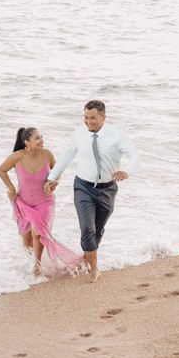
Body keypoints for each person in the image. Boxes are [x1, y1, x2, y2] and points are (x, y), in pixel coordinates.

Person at [43, 100, 139, 283]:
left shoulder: (116, 135)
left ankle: (87, 257)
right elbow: (67, 155)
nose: (89, 122)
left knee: (97, 230)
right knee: (87, 228)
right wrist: (52, 177)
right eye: (86, 118)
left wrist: (126, 171)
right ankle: (94, 269)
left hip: (107, 189)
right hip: (83, 187)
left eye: (93, 118)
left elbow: (134, 154)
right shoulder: (79, 133)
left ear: (103, 117)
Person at [0, 127, 84, 277]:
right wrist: (11, 188)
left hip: (45, 202)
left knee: (38, 233)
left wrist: (54, 183)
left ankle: (37, 267)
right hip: (23, 203)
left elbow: (57, 172)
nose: (42, 140)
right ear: (27, 142)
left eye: (41, 137)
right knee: (27, 240)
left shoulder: (47, 154)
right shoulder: (17, 157)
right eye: (37, 138)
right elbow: (1, 170)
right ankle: (29, 263)